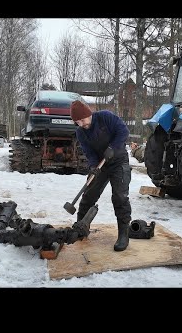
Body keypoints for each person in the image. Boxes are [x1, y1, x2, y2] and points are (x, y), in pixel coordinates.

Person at [70, 100, 132, 251]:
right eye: (77, 122)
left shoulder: (105, 117)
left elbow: (123, 131)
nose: (82, 124)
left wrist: (113, 147)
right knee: (89, 195)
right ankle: (81, 227)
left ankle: (123, 234)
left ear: (89, 114)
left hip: (118, 162)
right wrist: (93, 166)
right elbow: (89, 152)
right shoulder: (80, 132)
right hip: (100, 165)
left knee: (120, 197)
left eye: (83, 120)